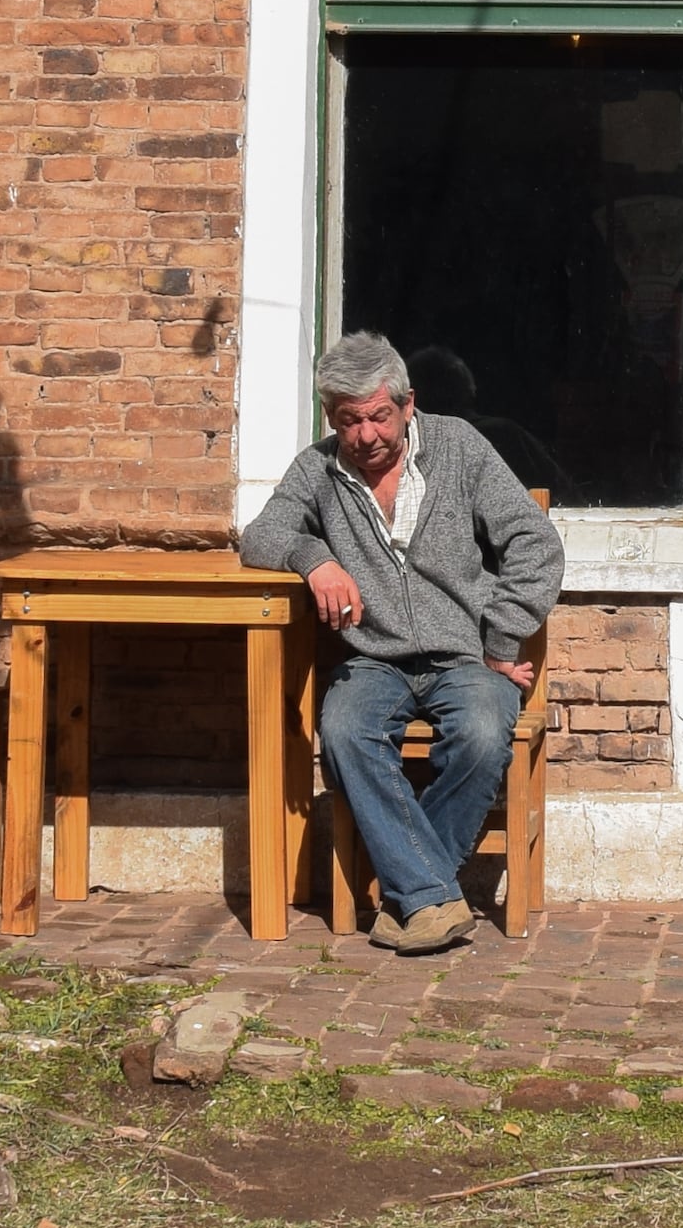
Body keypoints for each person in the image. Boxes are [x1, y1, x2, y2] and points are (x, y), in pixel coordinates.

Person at [236, 330, 564, 955]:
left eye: (379, 417)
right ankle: (434, 896)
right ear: (331, 417)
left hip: (466, 657)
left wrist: (500, 639)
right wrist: (313, 558)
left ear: (408, 405)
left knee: (480, 731)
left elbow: (536, 543)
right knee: (344, 733)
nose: (366, 436)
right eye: (349, 421)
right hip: (371, 660)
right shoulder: (319, 469)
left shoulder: (460, 448)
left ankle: (411, 896)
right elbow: (260, 535)